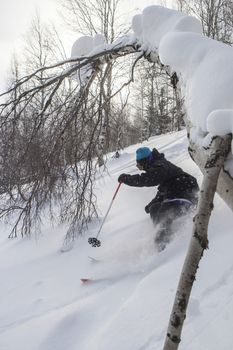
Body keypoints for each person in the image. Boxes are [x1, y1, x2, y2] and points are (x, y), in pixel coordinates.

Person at [118, 147, 199, 250]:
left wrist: (128, 179)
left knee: (164, 213)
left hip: (186, 194)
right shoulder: (159, 166)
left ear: (146, 161)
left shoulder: (160, 165)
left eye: (140, 166)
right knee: (155, 208)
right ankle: (162, 239)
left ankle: (163, 246)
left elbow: (150, 179)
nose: (141, 169)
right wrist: (151, 204)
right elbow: (162, 191)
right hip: (176, 194)